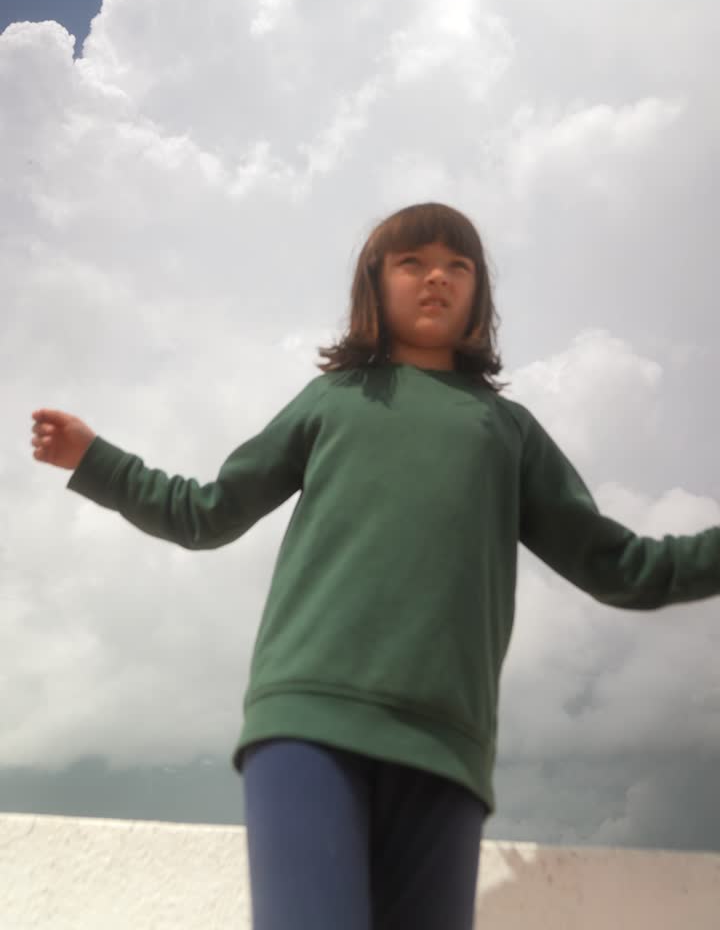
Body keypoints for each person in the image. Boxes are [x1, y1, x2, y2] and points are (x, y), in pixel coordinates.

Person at [31, 200, 720, 930]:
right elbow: (206, 512)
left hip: (447, 746)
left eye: (459, 267)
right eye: (413, 262)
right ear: (375, 282)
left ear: (479, 294)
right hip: (306, 720)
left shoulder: (507, 432)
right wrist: (96, 461)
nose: (437, 279)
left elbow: (621, 566)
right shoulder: (331, 402)